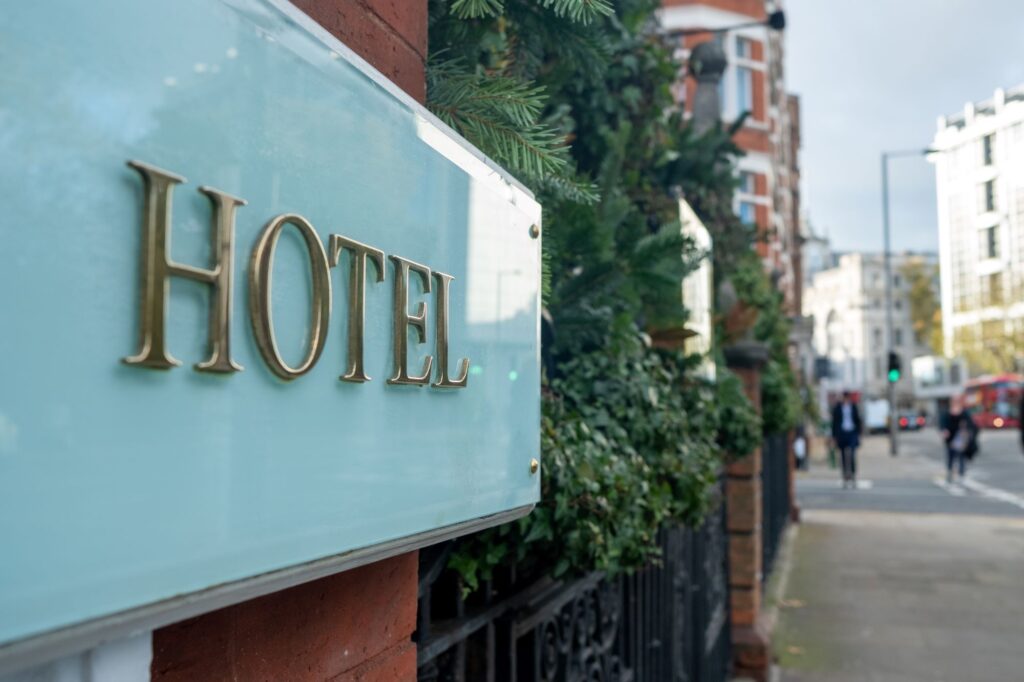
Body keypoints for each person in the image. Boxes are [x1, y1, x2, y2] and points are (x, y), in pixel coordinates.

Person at [942, 397, 979, 484]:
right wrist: (944, 431)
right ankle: (950, 473)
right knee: (951, 457)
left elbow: (971, 425)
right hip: (950, 439)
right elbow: (943, 424)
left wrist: (967, 430)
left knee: (961, 458)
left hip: (961, 439)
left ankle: (961, 474)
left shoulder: (964, 413)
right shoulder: (947, 412)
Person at [831, 392, 862, 488]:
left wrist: (859, 433)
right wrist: (834, 436)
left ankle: (852, 475)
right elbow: (834, 422)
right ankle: (845, 475)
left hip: (851, 432)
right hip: (842, 433)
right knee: (843, 456)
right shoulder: (838, 408)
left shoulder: (853, 407)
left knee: (852, 455)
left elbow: (858, 420)